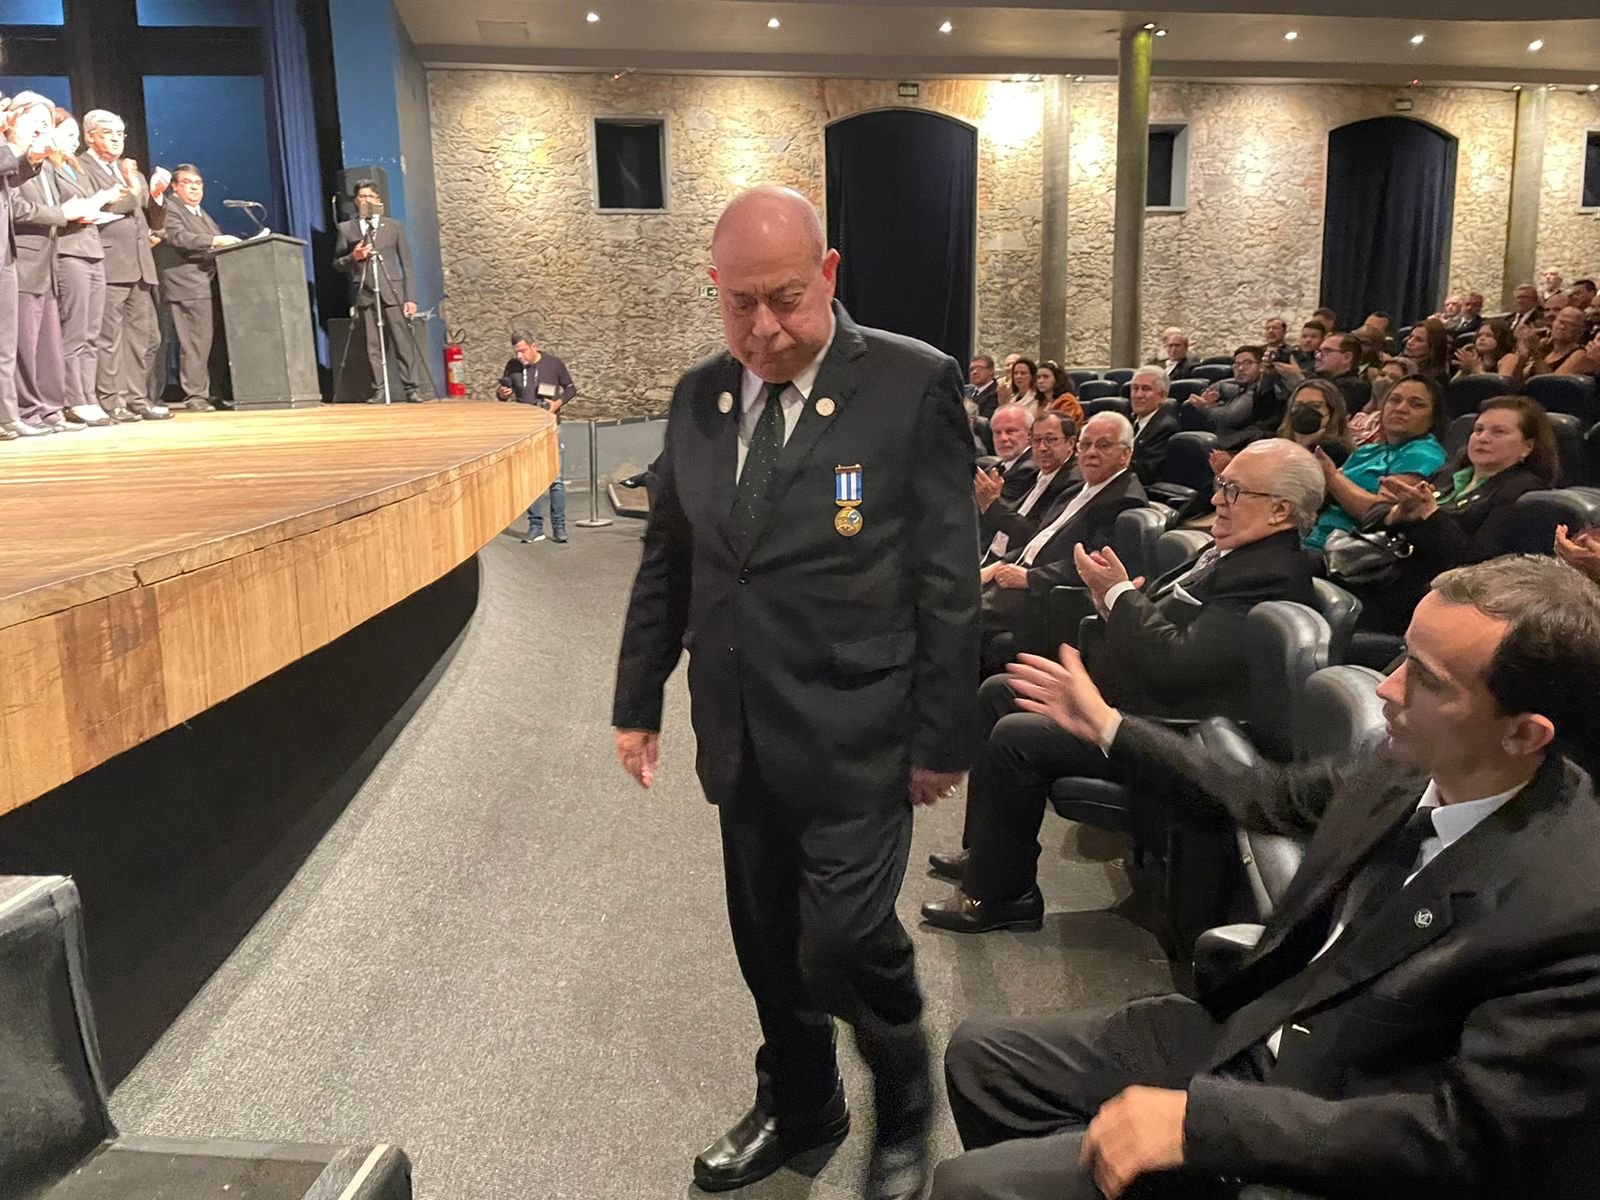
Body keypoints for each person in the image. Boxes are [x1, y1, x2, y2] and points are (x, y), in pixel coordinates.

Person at [933, 554, 1600, 1200]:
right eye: (1402, 656)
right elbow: (1263, 794)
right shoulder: (1409, 764)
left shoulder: (1572, 909)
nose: (1386, 688)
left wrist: (1209, 1126)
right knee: (982, 1058)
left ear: (1523, 735)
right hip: (1264, 1032)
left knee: (974, 1188)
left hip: (1339, 1123)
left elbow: (1466, 1137)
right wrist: (1108, 726)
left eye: (1427, 679)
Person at [611, 186, 979, 1200]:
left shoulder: (911, 383)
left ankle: (904, 1102)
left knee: (846, 938)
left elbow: (949, 580)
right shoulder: (699, 397)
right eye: (740, 305)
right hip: (739, 727)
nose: (763, 329)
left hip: (861, 729)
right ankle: (800, 1099)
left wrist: (943, 737)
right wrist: (638, 700)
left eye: (784, 300)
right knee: (766, 938)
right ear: (714, 290)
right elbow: (670, 561)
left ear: (828, 274)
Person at [923, 438, 1323, 932]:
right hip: (1146, 699)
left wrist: (1117, 596)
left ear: (1281, 510)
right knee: (1002, 691)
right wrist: (1113, 603)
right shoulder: (1232, 554)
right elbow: (1166, 628)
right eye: (1221, 485)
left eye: (1234, 490)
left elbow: (1177, 662)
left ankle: (1003, 896)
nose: (1217, 498)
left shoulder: (1268, 574)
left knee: (1016, 736)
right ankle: (986, 853)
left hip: (1172, 732)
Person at [1350, 396, 1559, 635]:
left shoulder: (1523, 491)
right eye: (1478, 430)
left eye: (1499, 432)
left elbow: (1477, 563)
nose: (1483, 438)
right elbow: (1371, 520)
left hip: (1431, 601)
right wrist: (1397, 513)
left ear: (1527, 447)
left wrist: (1429, 514)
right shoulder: (1450, 474)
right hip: (1383, 575)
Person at [977, 412, 1145, 674]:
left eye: (1103, 445)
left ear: (1126, 454)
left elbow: (1095, 564)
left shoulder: (1124, 500)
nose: (1091, 453)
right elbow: (1037, 540)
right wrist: (999, 565)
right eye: (1086, 445)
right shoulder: (1078, 489)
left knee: (960, 616)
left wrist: (1030, 578)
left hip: (1044, 598)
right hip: (1016, 578)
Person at [9, 91, 97, 433]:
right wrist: (63, 213)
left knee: (48, 347)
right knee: (24, 347)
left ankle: (50, 411)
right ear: (14, 120)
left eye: (47, 123)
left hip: (48, 263)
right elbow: (17, 209)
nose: (43, 129)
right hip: (23, 262)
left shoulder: (44, 165)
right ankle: (27, 412)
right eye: (36, 122)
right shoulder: (12, 161)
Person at [80, 110, 170, 423]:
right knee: (109, 339)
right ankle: (112, 401)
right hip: (109, 263)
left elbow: (153, 220)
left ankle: (137, 399)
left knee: (139, 339)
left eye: (120, 134)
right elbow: (110, 207)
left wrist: (156, 196)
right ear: (90, 136)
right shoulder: (83, 167)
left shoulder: (130, 172)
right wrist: (134, 188)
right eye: (109, 133)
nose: (117, 140)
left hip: (140, 265)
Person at [1304, 373, 1448, 552]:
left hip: (1352, 551)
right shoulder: (1368, 450)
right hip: (1315, 536)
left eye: (1416, 405)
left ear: (1433, 419)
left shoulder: (1424, 453)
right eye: (1394, 400)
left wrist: (1332, 477)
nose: (1401, 408)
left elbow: (1379, 513)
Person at [152, 165, 238, 412]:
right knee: (194, 343)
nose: (194, 188)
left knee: (207, 343)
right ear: (174, 187)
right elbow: (178, 236)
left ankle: (210, 392)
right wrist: (214, 240)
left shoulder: (201, 213)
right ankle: (195, 396)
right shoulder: (171, 208)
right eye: (187, 183)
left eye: (198, 183)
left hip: (208, 283)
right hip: (185, 284)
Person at [334, 179, 428, 404]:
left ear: (378, 199)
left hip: (392, 291)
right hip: (365, 293)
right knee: (373, 345)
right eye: (361, 197)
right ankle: (379, 389)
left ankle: (411, 389)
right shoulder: (347, 228)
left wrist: (410, 297)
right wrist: (353, 257)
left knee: (402, 342)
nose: (365, 200)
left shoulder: (393, 227)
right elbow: (337, 263)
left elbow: (406, 264)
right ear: (356, 201)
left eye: (370, 196)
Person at [48, 109, 114, 427]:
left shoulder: (75, 167)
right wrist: (78, 210)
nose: (73, 143)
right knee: (74, 332)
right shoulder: (48, 168)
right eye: (68, 135)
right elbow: (56, 209)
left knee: (92, 332)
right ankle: (73, 399)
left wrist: (101, 202)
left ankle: (89, 396)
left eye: (76, 137)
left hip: (92, 250)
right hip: (68, 251)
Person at [0, 93, 53, 439]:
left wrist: (31, 159)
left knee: (5, 341)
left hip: (4, 249)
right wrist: (19, 149)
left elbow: (9, 177)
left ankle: (7, 416)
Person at [496, 330, 576, 544]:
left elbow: (570, 389)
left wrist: (556, 404)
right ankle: (535, 527)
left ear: (534, 346)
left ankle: (559, 527)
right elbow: (504, 392)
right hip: (525, 430)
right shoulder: (512, 366)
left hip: (551, 428)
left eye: (523, 351)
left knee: (555, 480)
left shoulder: (553, 364)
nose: (520, 356)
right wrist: (502, 394)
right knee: (530, 480)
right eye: (516, 351)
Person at [977, 409, 1080, 564]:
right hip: (993, 556)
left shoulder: (1072, 481)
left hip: (1016, 565)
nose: (1042, 447)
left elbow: (1034, 534)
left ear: (1070, 443)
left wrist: (991, 503)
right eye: (1036, 440)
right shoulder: (1038, 474)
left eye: (1051, 440)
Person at [1181, 345, 1283, 436]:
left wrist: (1204, 406)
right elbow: (1221, 386)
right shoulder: (1242, 386)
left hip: (1247, 444)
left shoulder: (1259, 391)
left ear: (1261, 367)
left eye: (1247, 363)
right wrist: (1209, 393)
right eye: (1237, 364)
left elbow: (1227, 419)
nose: (1241, 368)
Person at [1511, 305, 1600, 382]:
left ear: (1579, 331)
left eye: (1570, 324)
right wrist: (1522, 358)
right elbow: (1517, 382)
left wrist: (1536, 354)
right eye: (1560, 322)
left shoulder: (1579, 354)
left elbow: (1553, 384)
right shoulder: (1546, 350)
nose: (1562, 327)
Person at [1127, 366, 1178, 486]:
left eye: (1146, 389)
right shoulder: (1128, 421)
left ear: (1162, 396)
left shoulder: (1166, 427)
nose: (1138, 395)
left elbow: (1146, 472)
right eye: (1135, 388)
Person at [979, 402, 1036, 504]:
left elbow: (996, 508)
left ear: (1029, 435)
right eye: (997, 433)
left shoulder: (1029, 469)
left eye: (1011, 431)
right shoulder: (995, 467)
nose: (1003, 438)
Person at [1451, 318, 1516, 378]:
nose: (1482, 338)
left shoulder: (1508, 358)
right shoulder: (1473, 360)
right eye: (1479, 335)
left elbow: (1501, 383)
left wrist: (1476, 369)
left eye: (1489, 335)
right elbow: (1454, 384)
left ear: (1501, 339)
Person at [1036, 360, 1083, 426]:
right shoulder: (1042, 403)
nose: (1040, 381)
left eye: (1046, 377)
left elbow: (1066, 427)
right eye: (1038, 377)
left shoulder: (1067, 401)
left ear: (1057, 378)